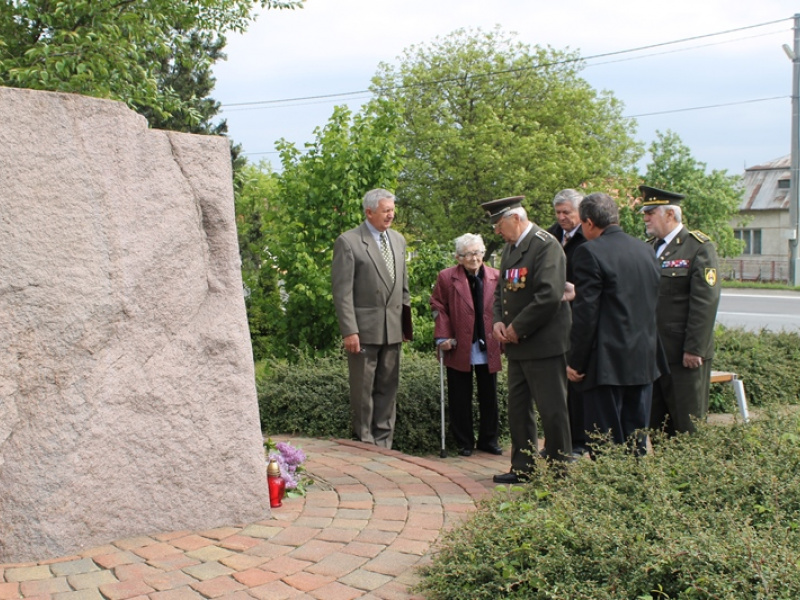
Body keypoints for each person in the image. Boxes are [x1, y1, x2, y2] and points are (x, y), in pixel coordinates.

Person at [482, 196, 573, 484]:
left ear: (516, 218)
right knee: (519, 408)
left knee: (552, 409)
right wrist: (498, 320)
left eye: (499, 224)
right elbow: (501, 292)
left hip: (544, 343)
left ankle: (560, 470)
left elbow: (548, 296)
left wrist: (516, 328)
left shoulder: (546, 245)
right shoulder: (512, 248)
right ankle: (523, 467)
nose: (497, 230)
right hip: (517, 345)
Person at [567, 192, 662, 457]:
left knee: (605, 441)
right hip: (643, 358)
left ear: (587, 222)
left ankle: (610, 490)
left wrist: (576, 362)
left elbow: (586, 314)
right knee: (636, 441)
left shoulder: (589, 251)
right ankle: (634, 492)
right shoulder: (646, 249)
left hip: (606, 362)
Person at [639, 185, 721, 436]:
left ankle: (689, 474)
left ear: (670, 215)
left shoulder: (697, 247)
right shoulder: (649, 247)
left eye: (651, 212)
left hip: (683, 353)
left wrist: (694, 347)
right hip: (653, 352)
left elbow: (705, 302)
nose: (645, 218)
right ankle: (666, 473)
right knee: (657, 424)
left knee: (688, 424)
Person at [331, 188, 410, 449]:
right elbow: (342, 292)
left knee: (389, 388)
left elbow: (403, 286)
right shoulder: (349, 241)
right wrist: (349, 331)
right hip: (363, 331)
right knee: (363, 391)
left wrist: (406, 326)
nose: (391, 215)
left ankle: (384, 441)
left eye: (392, 209)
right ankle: (365, 441)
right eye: (386, 210)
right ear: (369, 212)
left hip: (393, 329)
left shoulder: (398, 240)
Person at [430, 234, 503, 457]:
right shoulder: (446, 277)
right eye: (468, 254)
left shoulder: (495, 276)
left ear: (483, 253)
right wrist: (442, 336)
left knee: (489, 394)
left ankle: (488, 439)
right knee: (459, 395)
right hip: (459, 343)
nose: (474, 258)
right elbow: (437, 306)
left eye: (477, 253)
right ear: (458, 257)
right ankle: (464, 441)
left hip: (487, 342)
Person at [547, 188, 588, 456]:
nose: (562, 218)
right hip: (553, 321)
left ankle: (579, 441)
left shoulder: (589, 238)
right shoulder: (550, 236)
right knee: (556, 385)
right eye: (558, 212)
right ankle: (558, 441)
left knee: (577, 382)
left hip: (579, 319)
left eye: (567, 213)